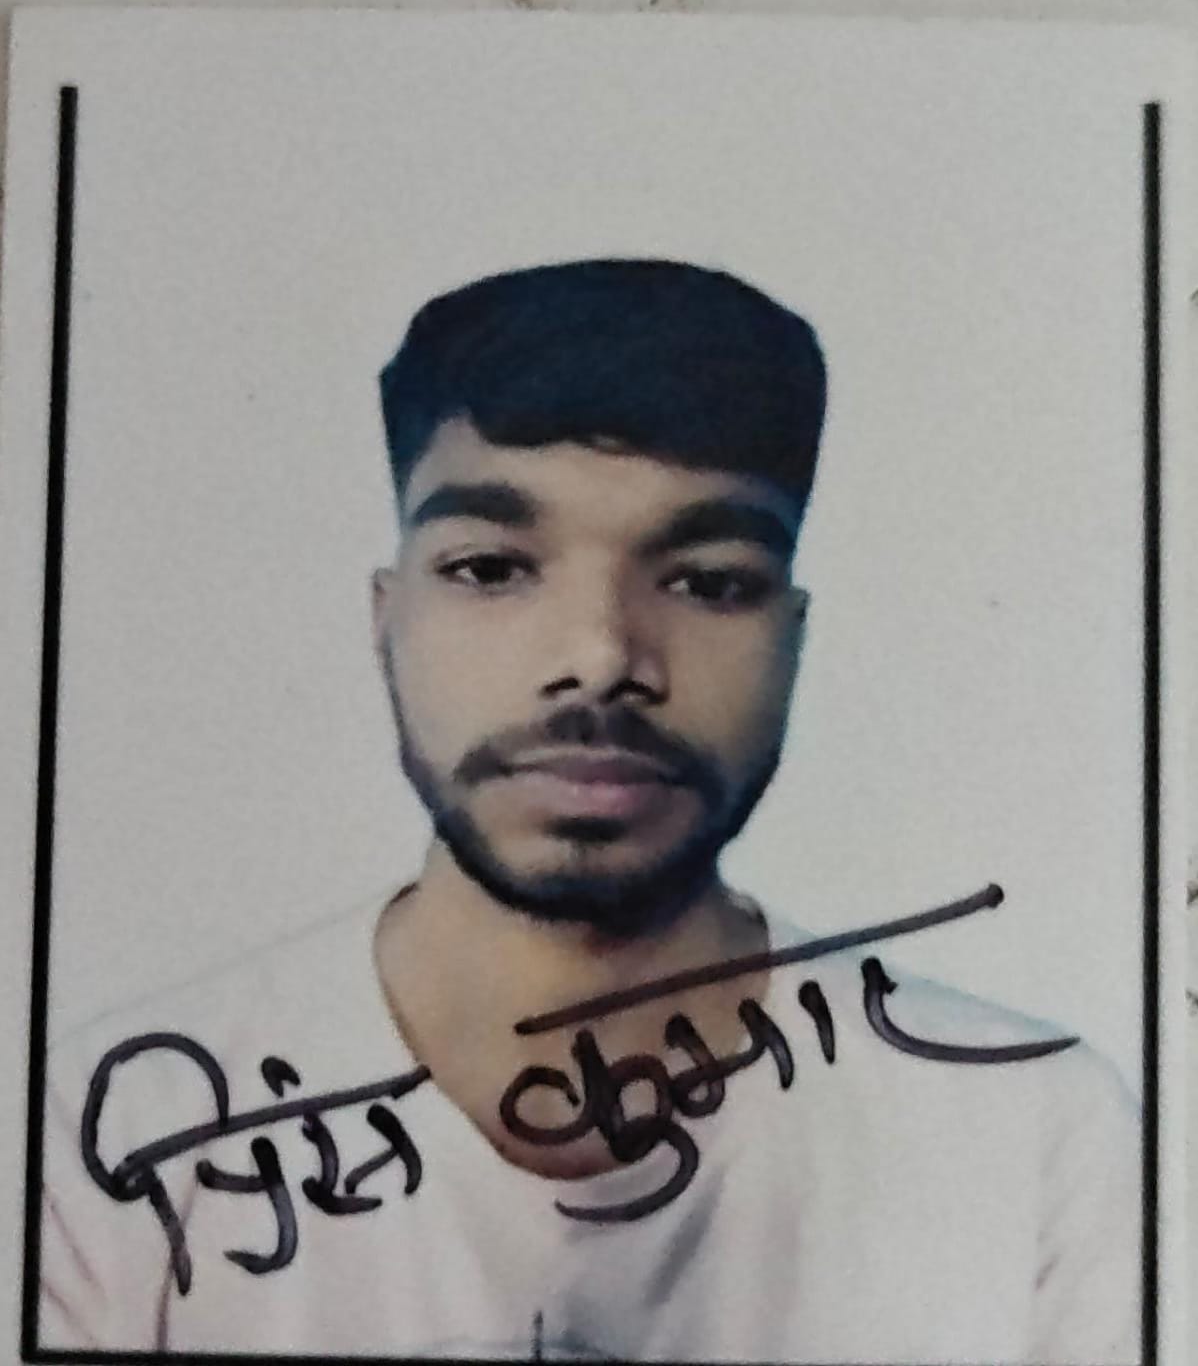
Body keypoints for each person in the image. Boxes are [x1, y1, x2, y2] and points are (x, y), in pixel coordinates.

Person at [39, 259, 1139, 1362]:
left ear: (792, 640)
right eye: (490, 568)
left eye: (709, 580)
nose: (602, 656)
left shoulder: (1037, 1142)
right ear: (386, 620)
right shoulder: (117, 1130)